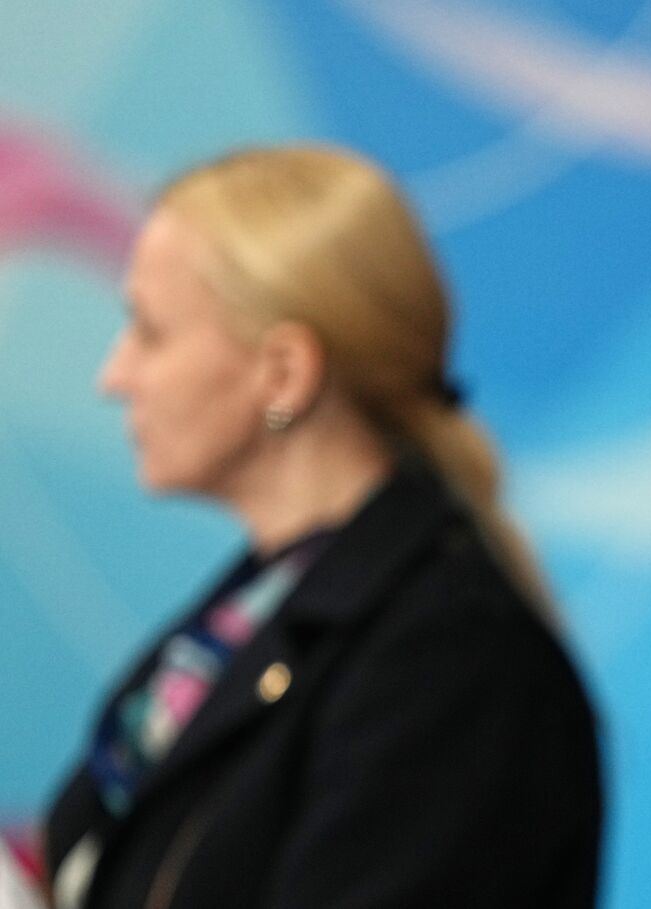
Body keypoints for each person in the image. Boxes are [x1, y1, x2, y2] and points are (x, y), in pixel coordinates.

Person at [43, 147, 601, 908]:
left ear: (283, 373)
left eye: (149, 330)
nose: (114, 374)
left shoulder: (451, 665)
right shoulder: (244, 620)